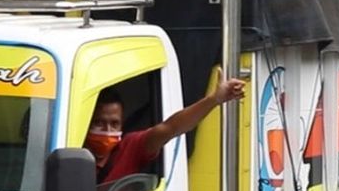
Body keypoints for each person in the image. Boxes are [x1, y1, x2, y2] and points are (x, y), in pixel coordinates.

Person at [85, 77, 246, 185]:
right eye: (99, 123)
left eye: (114, 124)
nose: (107, 131)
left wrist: (214, 100)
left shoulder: (130, 147)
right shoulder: (69, 146)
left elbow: (171, 127)